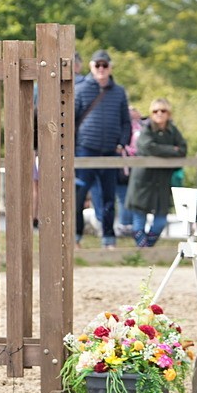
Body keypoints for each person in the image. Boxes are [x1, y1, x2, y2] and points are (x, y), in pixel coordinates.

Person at [74, 50, 131, 249]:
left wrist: (122, 143)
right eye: (97, 65)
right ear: (91, 66)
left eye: (104, 65)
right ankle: (76, 237)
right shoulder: (80, 90)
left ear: (110, 67)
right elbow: (71, 121)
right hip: (85, 150)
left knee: (108, 198)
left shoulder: (119, 92)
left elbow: (126, 122)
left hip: (109, 152)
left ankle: (108, 239)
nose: (101, 69)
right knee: (78, 196)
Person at [125, 98, 187, 248]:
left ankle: (147, 249)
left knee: (160, 222)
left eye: (163, 110)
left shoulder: (173, 131)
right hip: (143, 180)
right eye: (155, 111)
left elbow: (183, 149)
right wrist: (171, 150)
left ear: (169, 113)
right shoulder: (146, 129)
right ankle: (143, 253)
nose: (159, 114)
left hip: (162, 181)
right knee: (139, 221)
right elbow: (146, 148)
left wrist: (162, 150)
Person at [114, 105, 143, 237]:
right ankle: (128, 225)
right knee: (125, 197)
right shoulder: (141, 128)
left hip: (126, 167)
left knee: (124, 198)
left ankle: (127, 226)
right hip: (128, 168)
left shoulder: (121, 127)